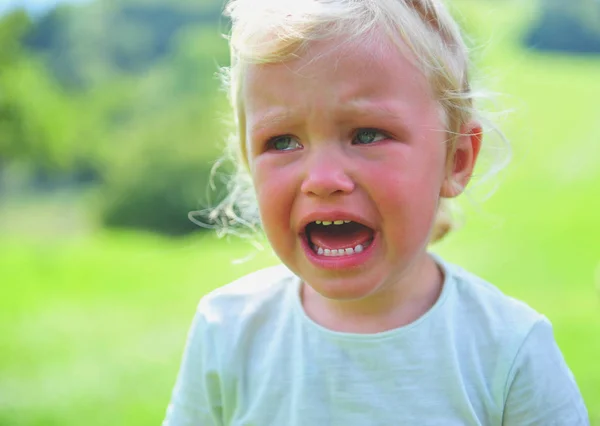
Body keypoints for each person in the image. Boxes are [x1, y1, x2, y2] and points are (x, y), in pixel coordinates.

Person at [163, 0, 589, 424]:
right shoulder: (227, 331)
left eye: (367, 134)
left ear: (455, 158)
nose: (323, 178)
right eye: (282, 142)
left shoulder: (509, 349)